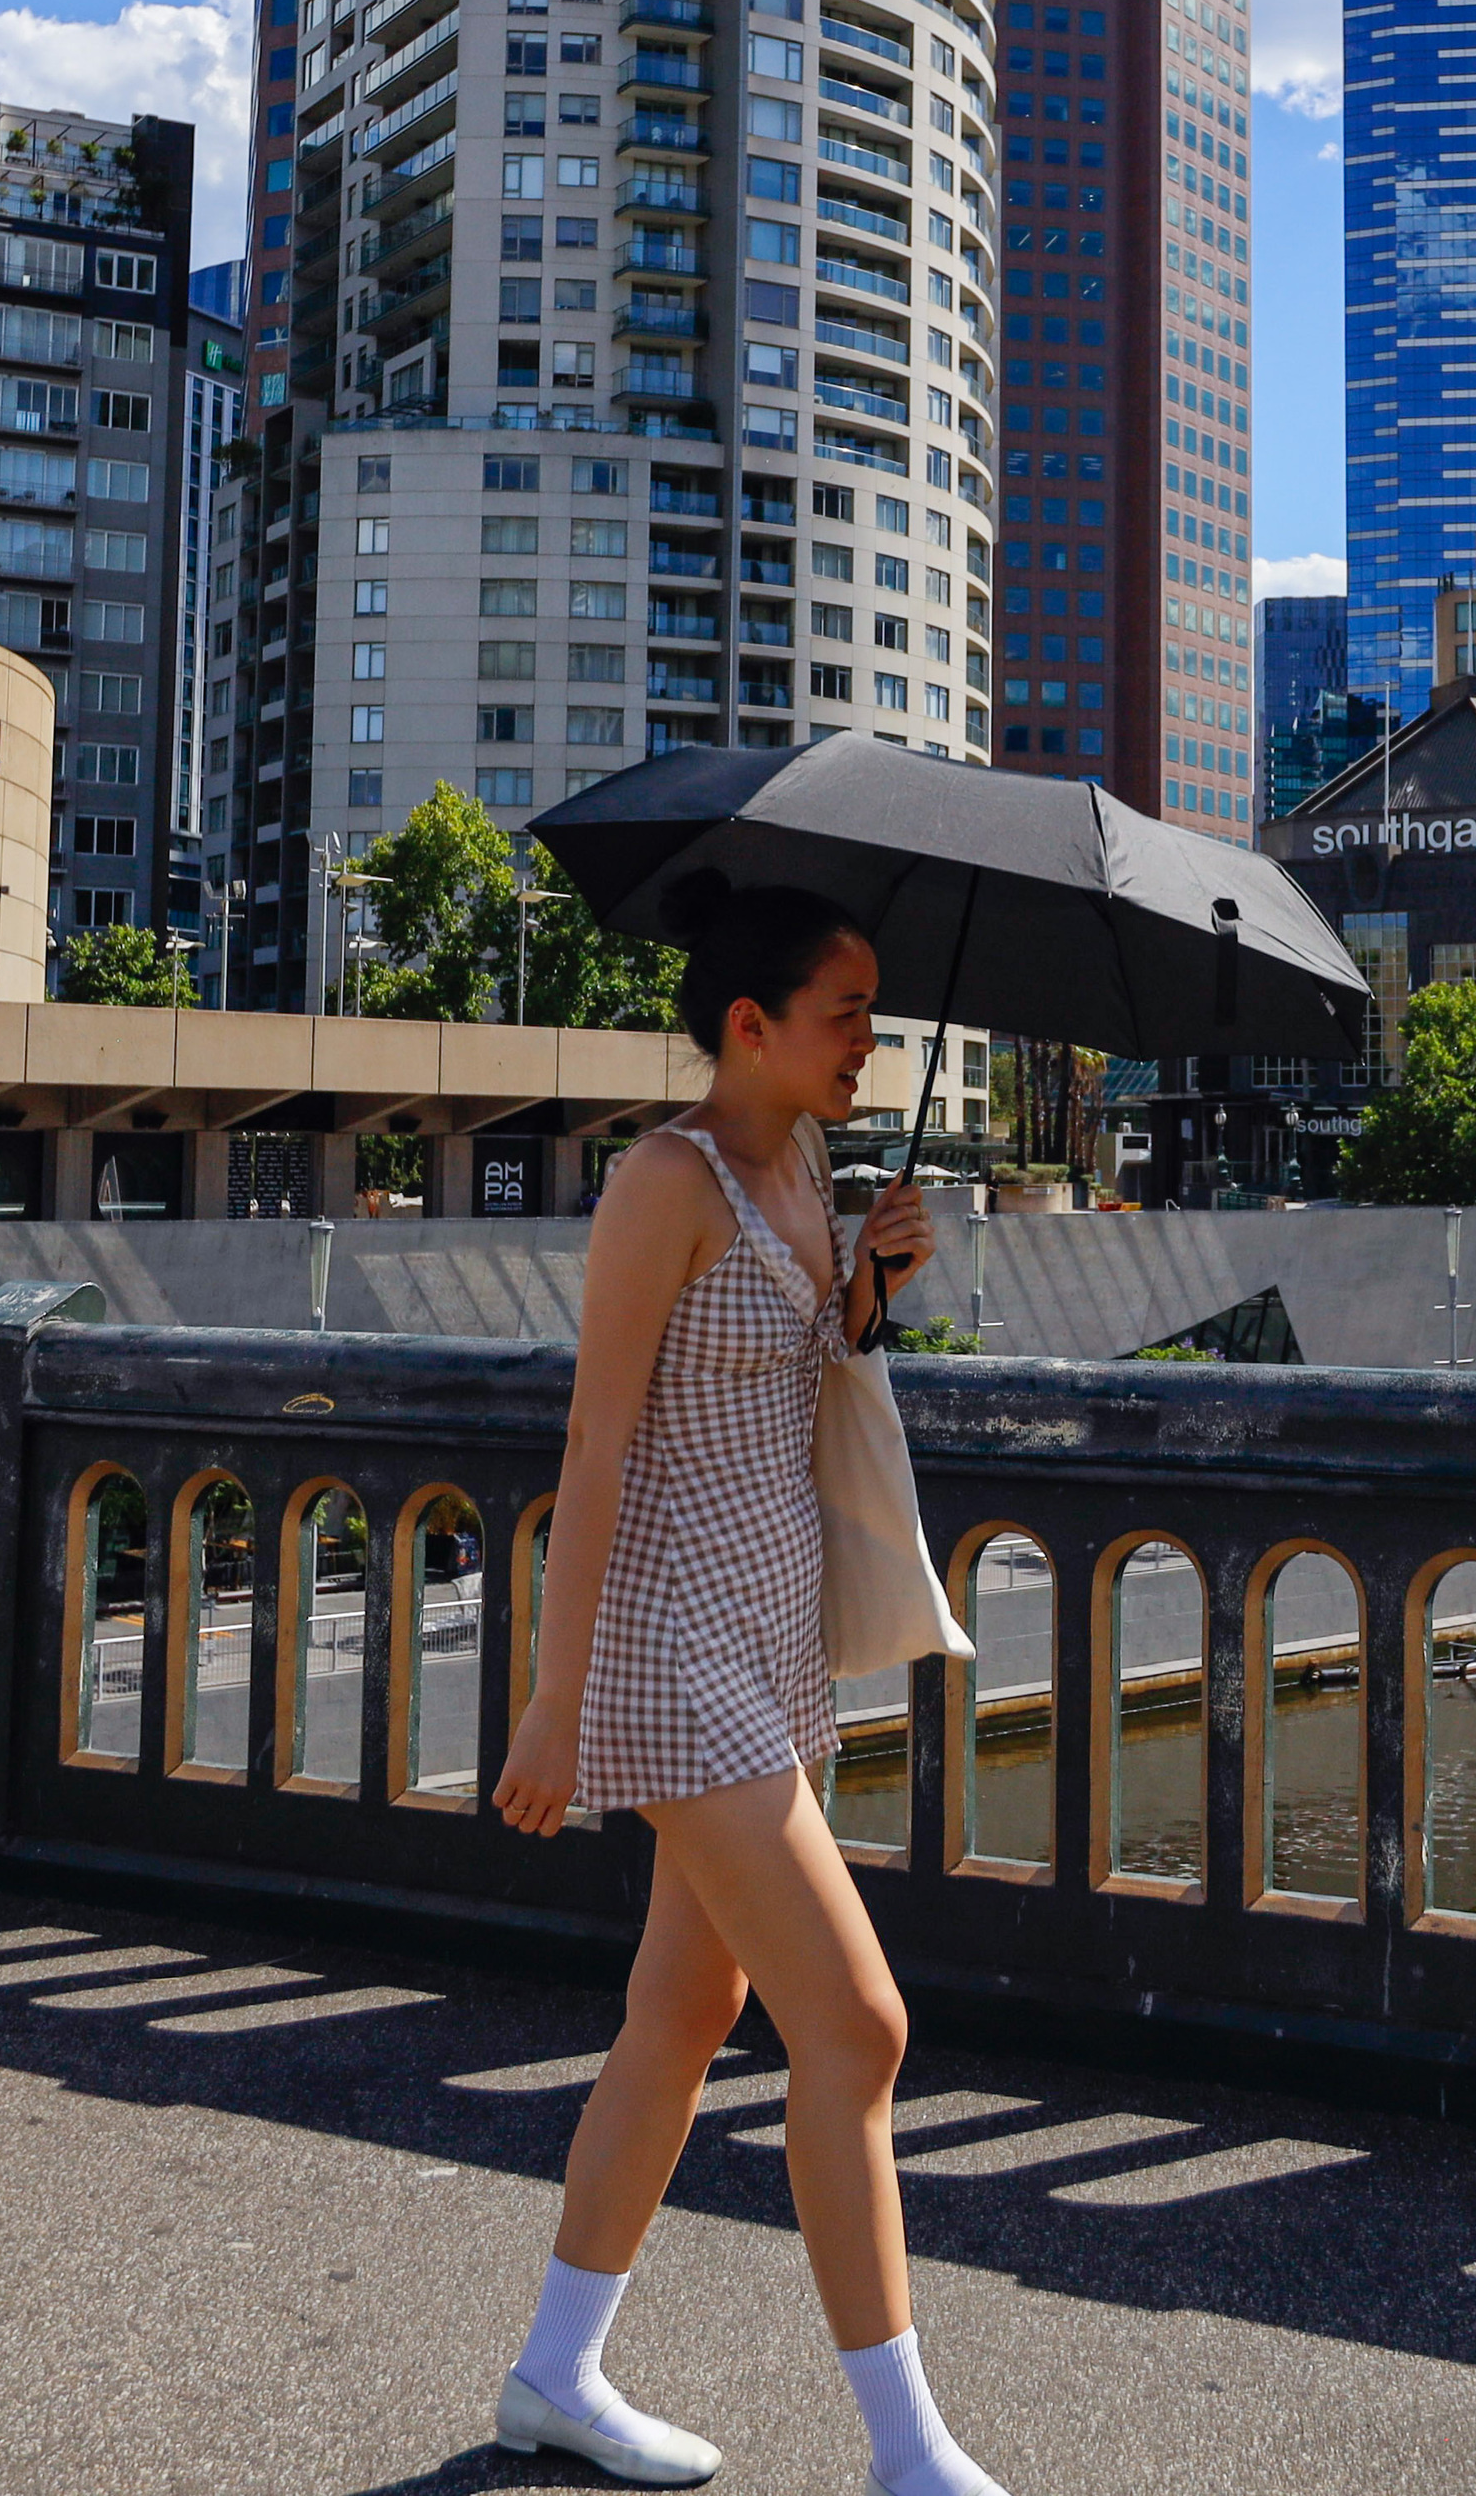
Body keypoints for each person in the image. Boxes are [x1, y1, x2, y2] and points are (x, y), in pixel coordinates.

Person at [485, 874, 1007, 2496]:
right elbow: (599, 1437)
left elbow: (788, 1379)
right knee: (855, 2027)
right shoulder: (671, 1177)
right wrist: (556, 1699)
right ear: (751, 1023)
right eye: (845, 1012)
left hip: (769, 1633)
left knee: (684, 2008)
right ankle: (907, 2452)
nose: (871, 1039)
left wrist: (867, 1290)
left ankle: (556, 2371)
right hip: (671, 1643)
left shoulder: (802, 1171)